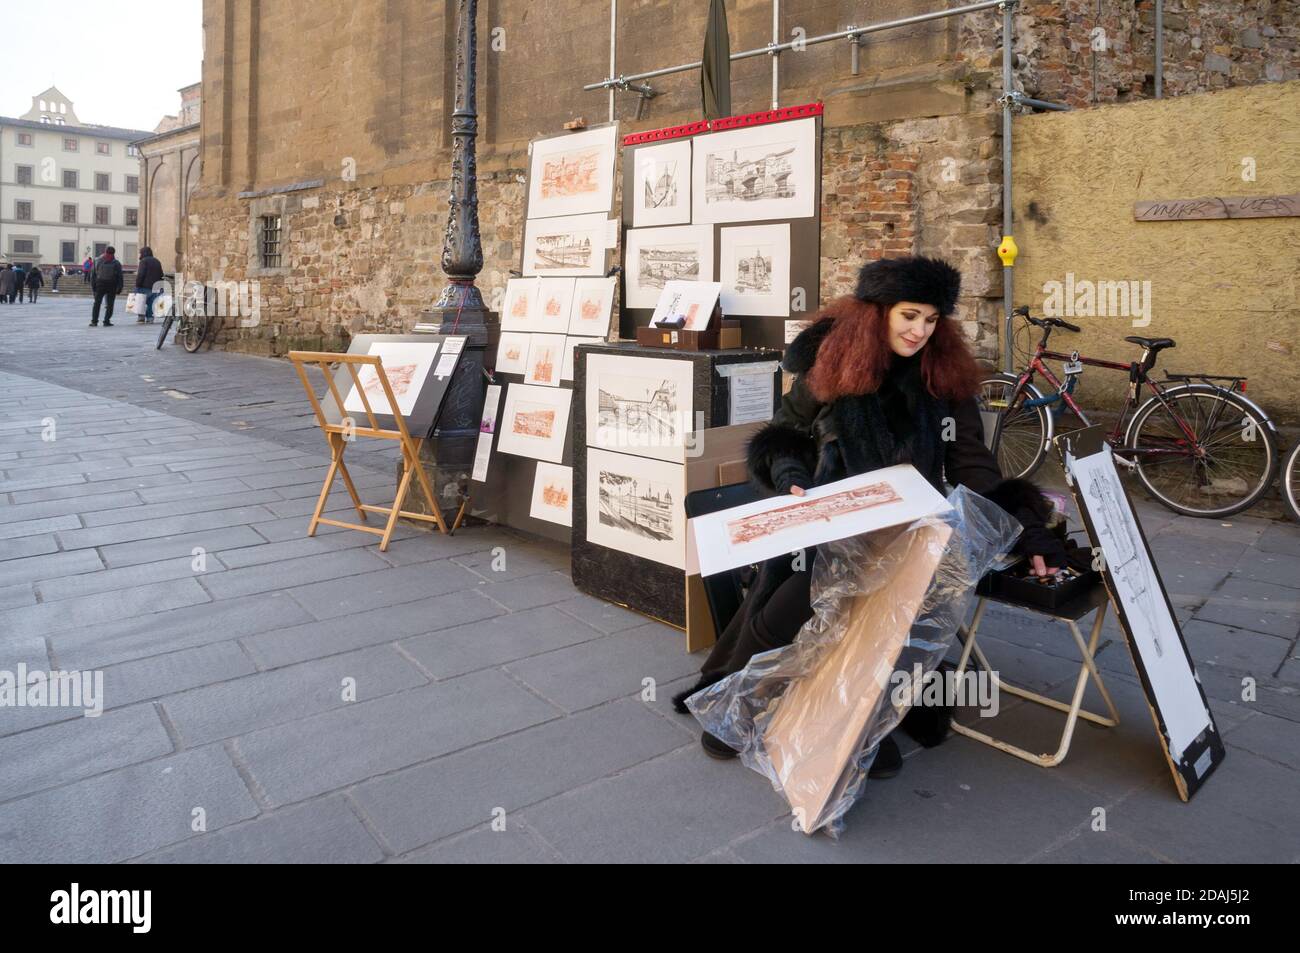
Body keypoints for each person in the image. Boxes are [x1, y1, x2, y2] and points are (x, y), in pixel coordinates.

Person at [672, 255, 1068, 775]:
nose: (919, 331)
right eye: (909, 316)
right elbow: (784, 432)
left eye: (931, 320)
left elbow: (972, 464)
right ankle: (733, 706)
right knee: (788, 608)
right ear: (878, 311)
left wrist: (1029, 527)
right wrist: (791, 469)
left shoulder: (943, 377)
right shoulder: (832, 360)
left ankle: (859, 720)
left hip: (904, 532)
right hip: (826, 525)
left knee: (884, 626)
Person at [89, 246, 124, 327]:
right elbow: (120, 276)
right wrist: (120, 287)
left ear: (105, 252)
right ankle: (106, 321)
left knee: (97, 303)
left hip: (100, 284)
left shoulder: (98, 260)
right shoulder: (116, 263)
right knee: (110, 304)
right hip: (112, 285)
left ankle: (94, 321)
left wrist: (93, 286)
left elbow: (93, 274)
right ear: (113, 253)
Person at [133, 246, 164, 324]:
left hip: (144, 286)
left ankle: (141, 317)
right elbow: (161, 274)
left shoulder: (143, 261)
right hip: (155, 287)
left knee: (141, 301)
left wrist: (137, 285)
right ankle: (150, 318)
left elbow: (141, 274)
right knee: (151, 303)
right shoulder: (157, 261)